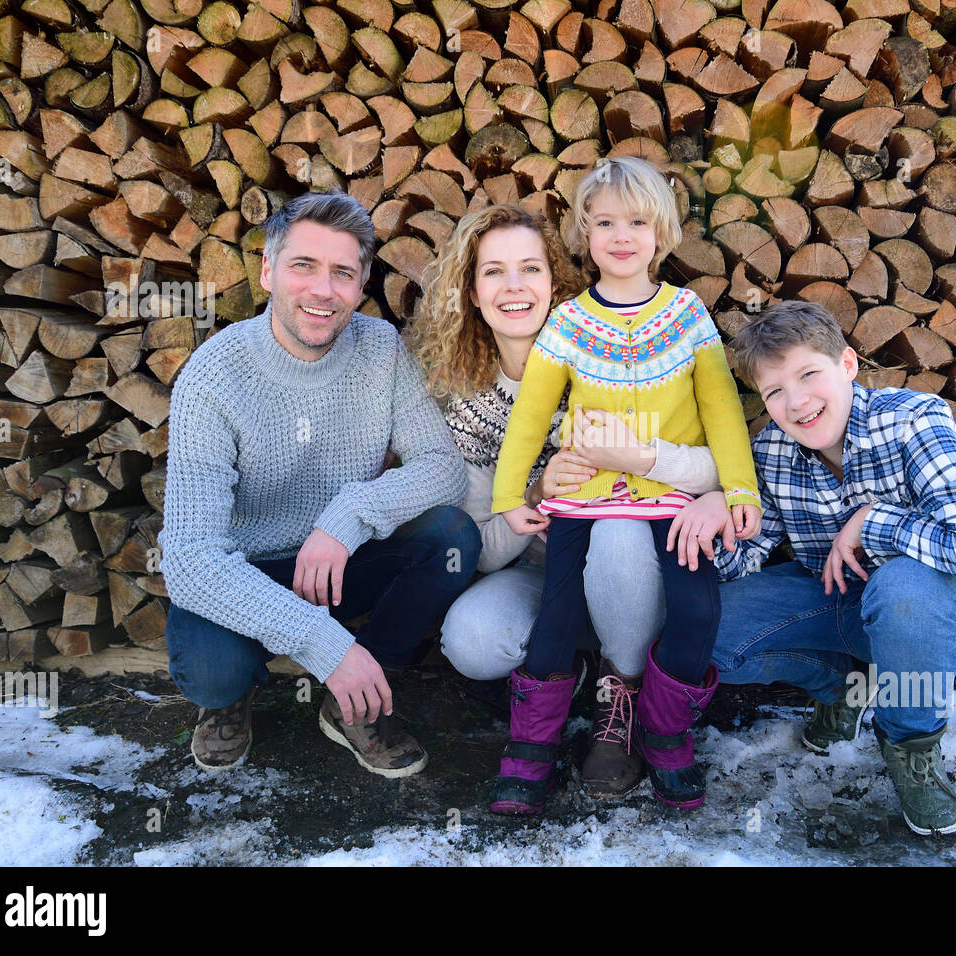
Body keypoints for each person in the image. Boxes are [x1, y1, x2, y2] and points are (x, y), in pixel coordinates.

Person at [160, 191, 480, 777]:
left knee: (452, 539)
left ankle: (352, 698)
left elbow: (442, 466)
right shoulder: (213, 376)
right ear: (267, 272)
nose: (322, 290)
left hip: (339, 564)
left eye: (342, 273)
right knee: (210, 672)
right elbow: (188, 559)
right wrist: (324, 644)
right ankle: (236, 697)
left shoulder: (381, 350)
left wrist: (347, 518)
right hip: (245, 574)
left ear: (361, 287)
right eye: (303, 266)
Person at [408, 203, 723, 799]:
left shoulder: (615, 356)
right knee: (471, 641)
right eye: (493, 272)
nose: (514, 287)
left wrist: (642, 462)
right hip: (536, 575)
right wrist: (531, 499)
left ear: (555, 281)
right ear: (471, 293)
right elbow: (476, 548)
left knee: (618, 529)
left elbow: (713, 460)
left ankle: (621, 697)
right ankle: (566, 671)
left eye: (530, 268)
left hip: (632, 565)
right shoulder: (466, 405)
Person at [487, 157, 762, 815]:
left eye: (636, 221)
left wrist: (741, 489)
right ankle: (533, 747)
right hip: (584, 496)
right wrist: (506, 497)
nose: (620, 236)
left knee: (697, 609)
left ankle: (664, 732)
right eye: (604, 222)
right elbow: (531, 415)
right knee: (553, 616)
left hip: (674, 500)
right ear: (584, 232)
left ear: (660, 232)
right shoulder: (569, 322)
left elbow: (723, 407)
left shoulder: (688, 315)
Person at [673, 300, 956, 835]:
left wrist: (873, 522)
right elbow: (743, 564)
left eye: (809, 374)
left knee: (904, 589)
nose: (797, 401)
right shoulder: (773, 451)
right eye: (775, 391)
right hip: (840, 606)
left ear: (848, 365)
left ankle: (910, 749)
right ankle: (844, 686)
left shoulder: (914, 421)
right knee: (703, 628)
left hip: (937, 616)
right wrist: (720, 506)